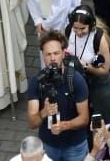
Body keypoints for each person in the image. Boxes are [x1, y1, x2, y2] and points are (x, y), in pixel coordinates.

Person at [26, 31, 91, 161]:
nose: (53, 58)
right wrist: (44, 112)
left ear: (63, 53)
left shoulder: (75, 80)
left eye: (56, 53)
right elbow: (32, 123)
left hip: (74, 145)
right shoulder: (36, 82)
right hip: (48, 145)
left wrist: (64, 126)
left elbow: (84, 118)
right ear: (42, 55)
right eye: (48, 54)